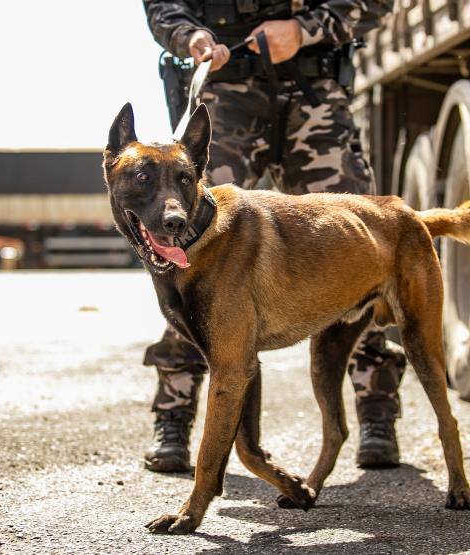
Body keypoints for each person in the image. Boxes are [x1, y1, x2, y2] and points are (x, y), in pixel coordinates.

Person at [142, 0, 405, 473]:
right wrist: (191, 38)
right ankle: (174, 415)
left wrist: (305, 29)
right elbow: (164, 6)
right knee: (197, 258)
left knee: (358, 256)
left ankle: (377, 414)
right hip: (224, 95)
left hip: (314, 92)